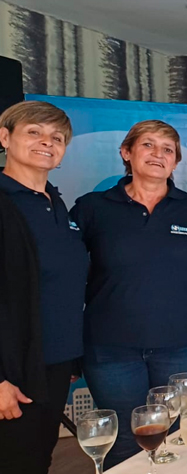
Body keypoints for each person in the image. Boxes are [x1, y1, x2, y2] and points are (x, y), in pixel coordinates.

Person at [70, 120, 187, 468]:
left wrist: (175, 294)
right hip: (112, 349)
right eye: (148, 145)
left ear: (176, 162)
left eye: (168, 149)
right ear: (126, 153)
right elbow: (66, 269)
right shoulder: (93, 207)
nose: (158, 154)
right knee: (124, 443)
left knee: (181, 437)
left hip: (184, 345)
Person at [0, 101, 88, 474]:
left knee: (38, 458)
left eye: (56, 137)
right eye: (33, 132)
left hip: (53, 364)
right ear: (5, 137)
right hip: (12, 371)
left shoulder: (57, 204)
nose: (46, 143)